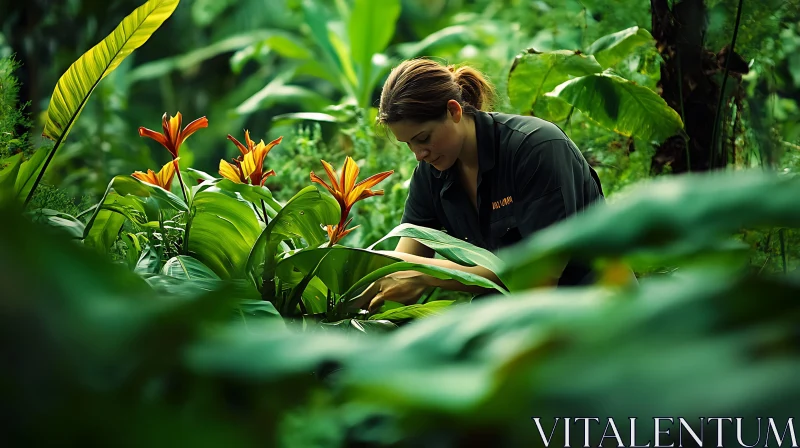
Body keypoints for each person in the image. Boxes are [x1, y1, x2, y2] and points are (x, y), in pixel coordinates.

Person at [352, 58, 605, 314]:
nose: (418, 154)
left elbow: (539, 276)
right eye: (408, 144)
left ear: (453, 111)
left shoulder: (535, 148)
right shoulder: (431, 175)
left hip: (594, 313)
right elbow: (401, 265)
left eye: (423, 138)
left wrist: (426, 275)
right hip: (506, 322)